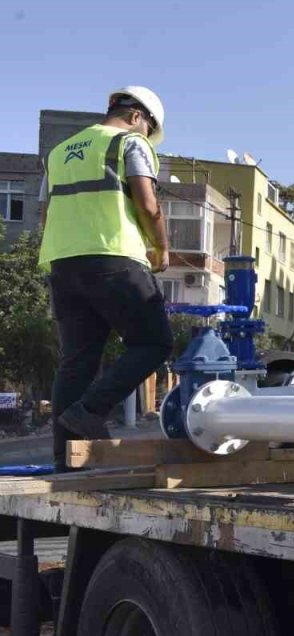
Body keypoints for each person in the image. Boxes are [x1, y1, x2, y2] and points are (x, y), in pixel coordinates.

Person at [38, 86, 173, 472]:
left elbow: (47, 214)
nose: (148, 137)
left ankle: (65, 458)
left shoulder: (59, 153)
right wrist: (160, 247)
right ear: (137, 117)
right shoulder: (130, 142)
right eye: (149, 129)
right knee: (153, 342)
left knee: (76, 362)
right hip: (114, 257)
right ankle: (91, 410)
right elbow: (147, 203)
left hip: (64, 264)